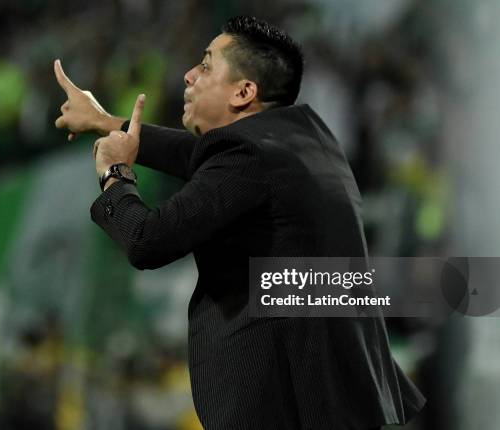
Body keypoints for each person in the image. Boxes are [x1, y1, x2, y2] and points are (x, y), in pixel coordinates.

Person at [54, 15, 426, 430]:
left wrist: (114, 175)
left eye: (207, 65)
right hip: (329, 397)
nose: (189, 75)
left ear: (244, 91)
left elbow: (147, 241)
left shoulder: (248, 159)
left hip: (283, 402)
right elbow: (200, 157)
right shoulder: (308, 138)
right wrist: (106, 122)